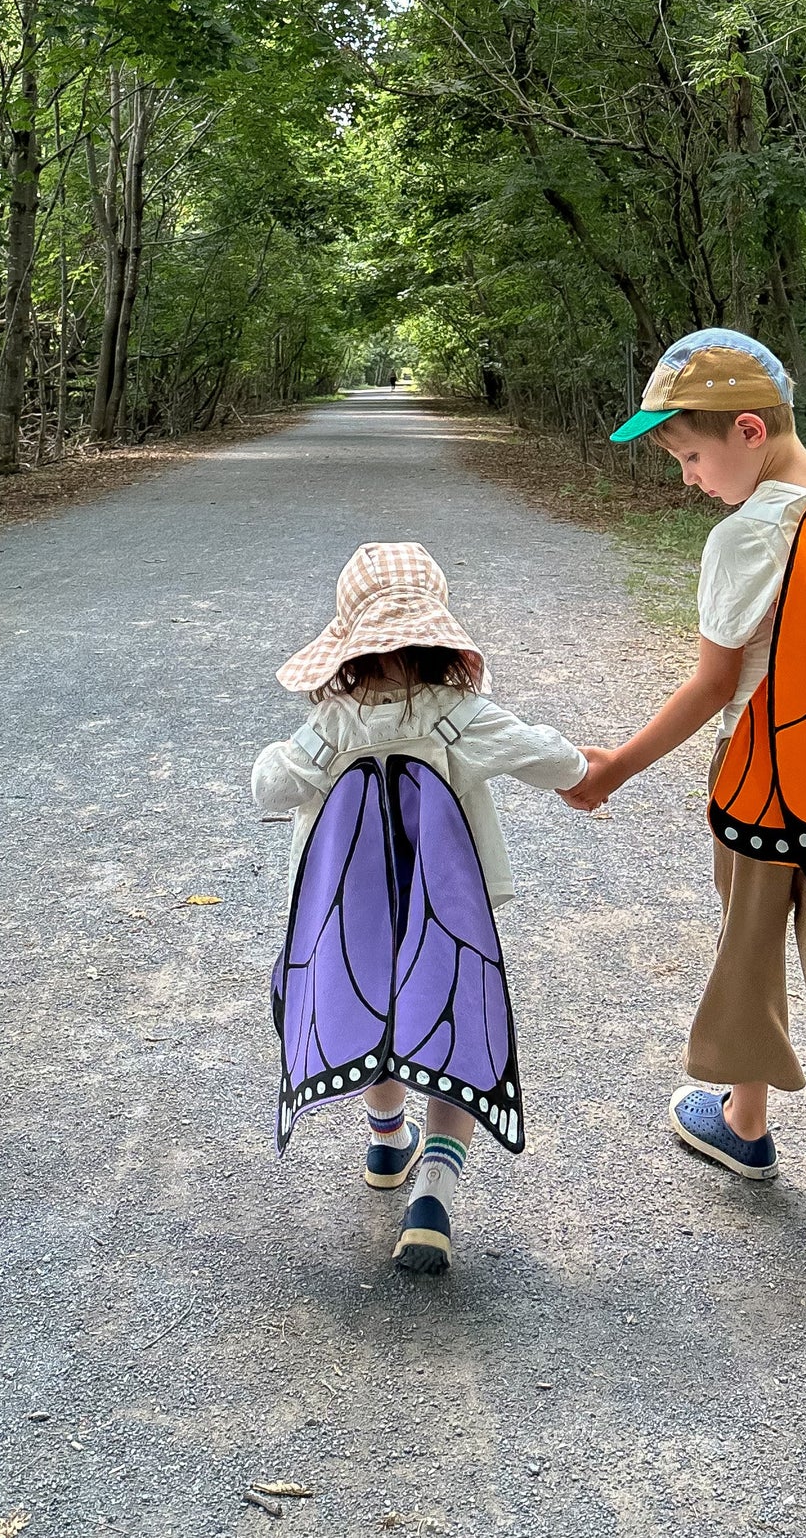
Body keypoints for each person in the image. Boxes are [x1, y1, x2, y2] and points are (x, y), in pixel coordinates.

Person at [564, 329, 806, 1299]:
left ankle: (742, 1123)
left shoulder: (743, 536)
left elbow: (709, 688)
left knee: (747, 938)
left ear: (746, 430)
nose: (689, 479)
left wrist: (614, 767)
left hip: (762, 776)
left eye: (692, 457)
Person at [254, 541, 586, 1275]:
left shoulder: (332, 721)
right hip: (448, 915)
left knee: (374, 1014)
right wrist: (585, 768)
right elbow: (550, 759)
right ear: (439, 637)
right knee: (450, 1029)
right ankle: (433, 1191)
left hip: (355, 919)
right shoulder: (458, 713)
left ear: (348, 644)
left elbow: (270, 787)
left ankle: (384, 1138)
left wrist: (288, 760)